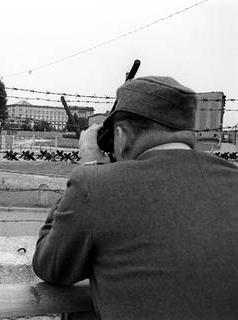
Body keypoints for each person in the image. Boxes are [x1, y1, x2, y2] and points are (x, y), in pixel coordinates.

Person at [33, 76, 238, 320]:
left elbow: (51, 265)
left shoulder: (95, 184)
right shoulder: (232, 178)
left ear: (121, 135)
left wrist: (91, 164)